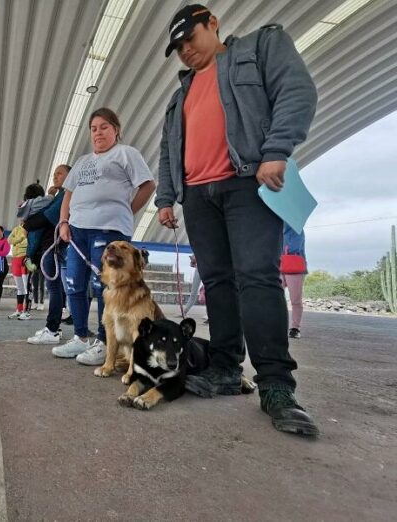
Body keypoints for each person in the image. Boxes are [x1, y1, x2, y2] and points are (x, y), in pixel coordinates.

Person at [155, 4, 319, 436]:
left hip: (247, 181)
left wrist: (276, 151)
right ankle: (226, 368)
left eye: (190, 39)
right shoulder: (179, 97)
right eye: (178, 48)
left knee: (257, 278)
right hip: (198, 197)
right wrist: (167, 197)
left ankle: (277, 386)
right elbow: (169, 149)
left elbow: (297, 91)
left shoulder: (260, 47)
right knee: (218, 282)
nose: (185, 51)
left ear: (212, 22)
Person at [52, 108, 155, 364]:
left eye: (104, 127)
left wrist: (126, 210)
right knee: (74, 284)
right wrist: (64, 222)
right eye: (93, 128)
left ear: (116, 130)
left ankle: (103, 342)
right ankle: (79, 337)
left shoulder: (126, 154)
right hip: (77, 231)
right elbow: (68, 194)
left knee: (104, 286)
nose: (98, 132)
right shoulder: (83, 161)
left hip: (109, 231)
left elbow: (148, 185)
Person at [25, 164, 71, 344]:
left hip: (53, 246)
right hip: (48, 245)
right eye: (54, 173)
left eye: (60, 173)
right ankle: (53, 328)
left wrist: (25, 225)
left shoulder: (67, 193)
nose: (55, 176)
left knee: (54, 288)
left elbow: (45, 216)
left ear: (70, 175)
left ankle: (52, 330)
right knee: (54, 287)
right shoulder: (59, 194)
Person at [282, 224, 307, 339]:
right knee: (274, 297)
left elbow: (295, 247)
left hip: (293, 263)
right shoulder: (276, 226)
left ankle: (295, 328)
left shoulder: (297, 228)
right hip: (278, 263)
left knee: (295, 299)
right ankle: (277, 324)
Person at [7, 220, 31, 320]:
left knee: (27, 287)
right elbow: (9, 240)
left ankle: (27, 312)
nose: (22, 219)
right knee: (20, 287)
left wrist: (16, 241)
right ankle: (19, 310)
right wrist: (21, 238)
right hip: (15, 258)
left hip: (26, 258)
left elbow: (28, 243)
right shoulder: (16, 229)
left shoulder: (31, 228)